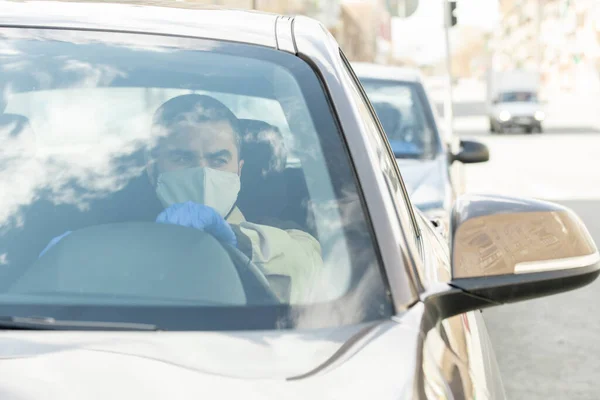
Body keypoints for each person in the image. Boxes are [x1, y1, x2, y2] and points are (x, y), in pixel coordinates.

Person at [40, 94, 323, 304]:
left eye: (218, 160)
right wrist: (69, 254)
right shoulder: (106, 232)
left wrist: (235, 240)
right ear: (153, 171)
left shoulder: (281, 233)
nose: (202, 172)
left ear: (238, 170)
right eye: (182, 158)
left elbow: (305, 266)